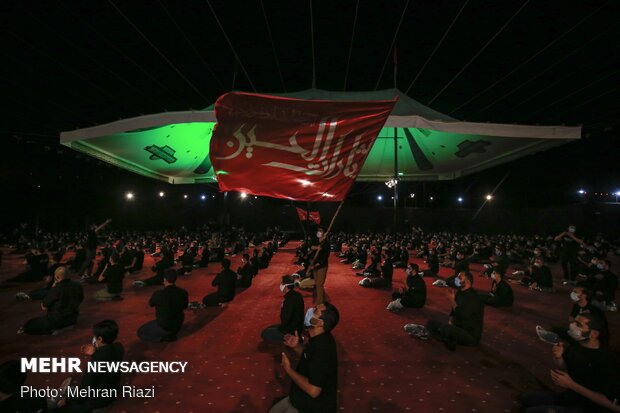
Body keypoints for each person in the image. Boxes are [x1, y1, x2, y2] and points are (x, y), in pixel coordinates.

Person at [520, 313, 618, 412]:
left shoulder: (605, 360)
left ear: (594, 334)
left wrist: (571, 385)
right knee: (525, 398)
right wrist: (559, 357)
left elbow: (612, 404)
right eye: (574, 322)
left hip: (590, 407)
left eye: (579, 325)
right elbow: (566, 366)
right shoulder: (577, 345)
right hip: (572, 397)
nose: (572, 326)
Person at [270, 302, 340, 413]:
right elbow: (310, 358)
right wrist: (296, 347)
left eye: (315, 311)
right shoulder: (319, 337)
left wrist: (289, 370)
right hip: (298, 398)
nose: (310, 310)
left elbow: (314, 390)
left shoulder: (323, 349)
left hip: (311, 408)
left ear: (320, 322)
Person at [54, 320, 124, 412]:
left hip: (98, 401)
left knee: (60, 408)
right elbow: (106, 358)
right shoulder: (119, 347)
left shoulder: (95, 362)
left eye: (95, 336)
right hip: (111, 393)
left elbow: (86, 390)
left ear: (100, 339)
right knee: (72, 391)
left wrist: (67, 400)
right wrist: (95, 352)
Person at [409, 271, 484, 351]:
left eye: (460, 278)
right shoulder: (460, 292)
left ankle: (426, 333)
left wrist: (451, 300)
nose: (456, 280)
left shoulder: (474, 298)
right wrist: (451, 319)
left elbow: (462, 315)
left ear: (468, 281)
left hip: (469, 334)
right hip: (458, 326)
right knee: (432, 322)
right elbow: (453, 311)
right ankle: (447, 338)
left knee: (447, 329)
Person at [19, 266, 84, 335]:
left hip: (56, 320)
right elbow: (80, 299)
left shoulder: (57, 288)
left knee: (30, 325)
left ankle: (55, 329)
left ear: (57, 277)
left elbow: (44, 306)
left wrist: (52, 289)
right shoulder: (78, 285)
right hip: (72, 318)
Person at [137, 269, 189, 342]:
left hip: (165, 326)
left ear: (164, 279)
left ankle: (163, 338)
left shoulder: (159, 294)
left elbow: (151, 304)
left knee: (141, 332)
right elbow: (185, 306)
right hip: (178, 323)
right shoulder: (183, 292)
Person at [261, 275, 304, 343]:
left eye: (282, 283)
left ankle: (292, 339)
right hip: (297, 326)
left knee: (265, 333)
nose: (281, 285)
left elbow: (285, 319)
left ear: (285, 286)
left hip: (291, 330)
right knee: (269, 328)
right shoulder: (297, 295)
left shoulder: (289, 300)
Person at [310, 227, 330, 305]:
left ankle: (320, 303)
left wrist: (314, 266)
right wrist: (317, 247)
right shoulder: (315, 240)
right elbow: (311, 246)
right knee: (317, 284)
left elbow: (324, 259)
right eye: (318, 230)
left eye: (320, 231)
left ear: (324, 233)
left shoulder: (326, 244)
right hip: (314, 265)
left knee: (319, 284)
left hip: (322, 266)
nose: (318, 232)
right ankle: (322, 298)